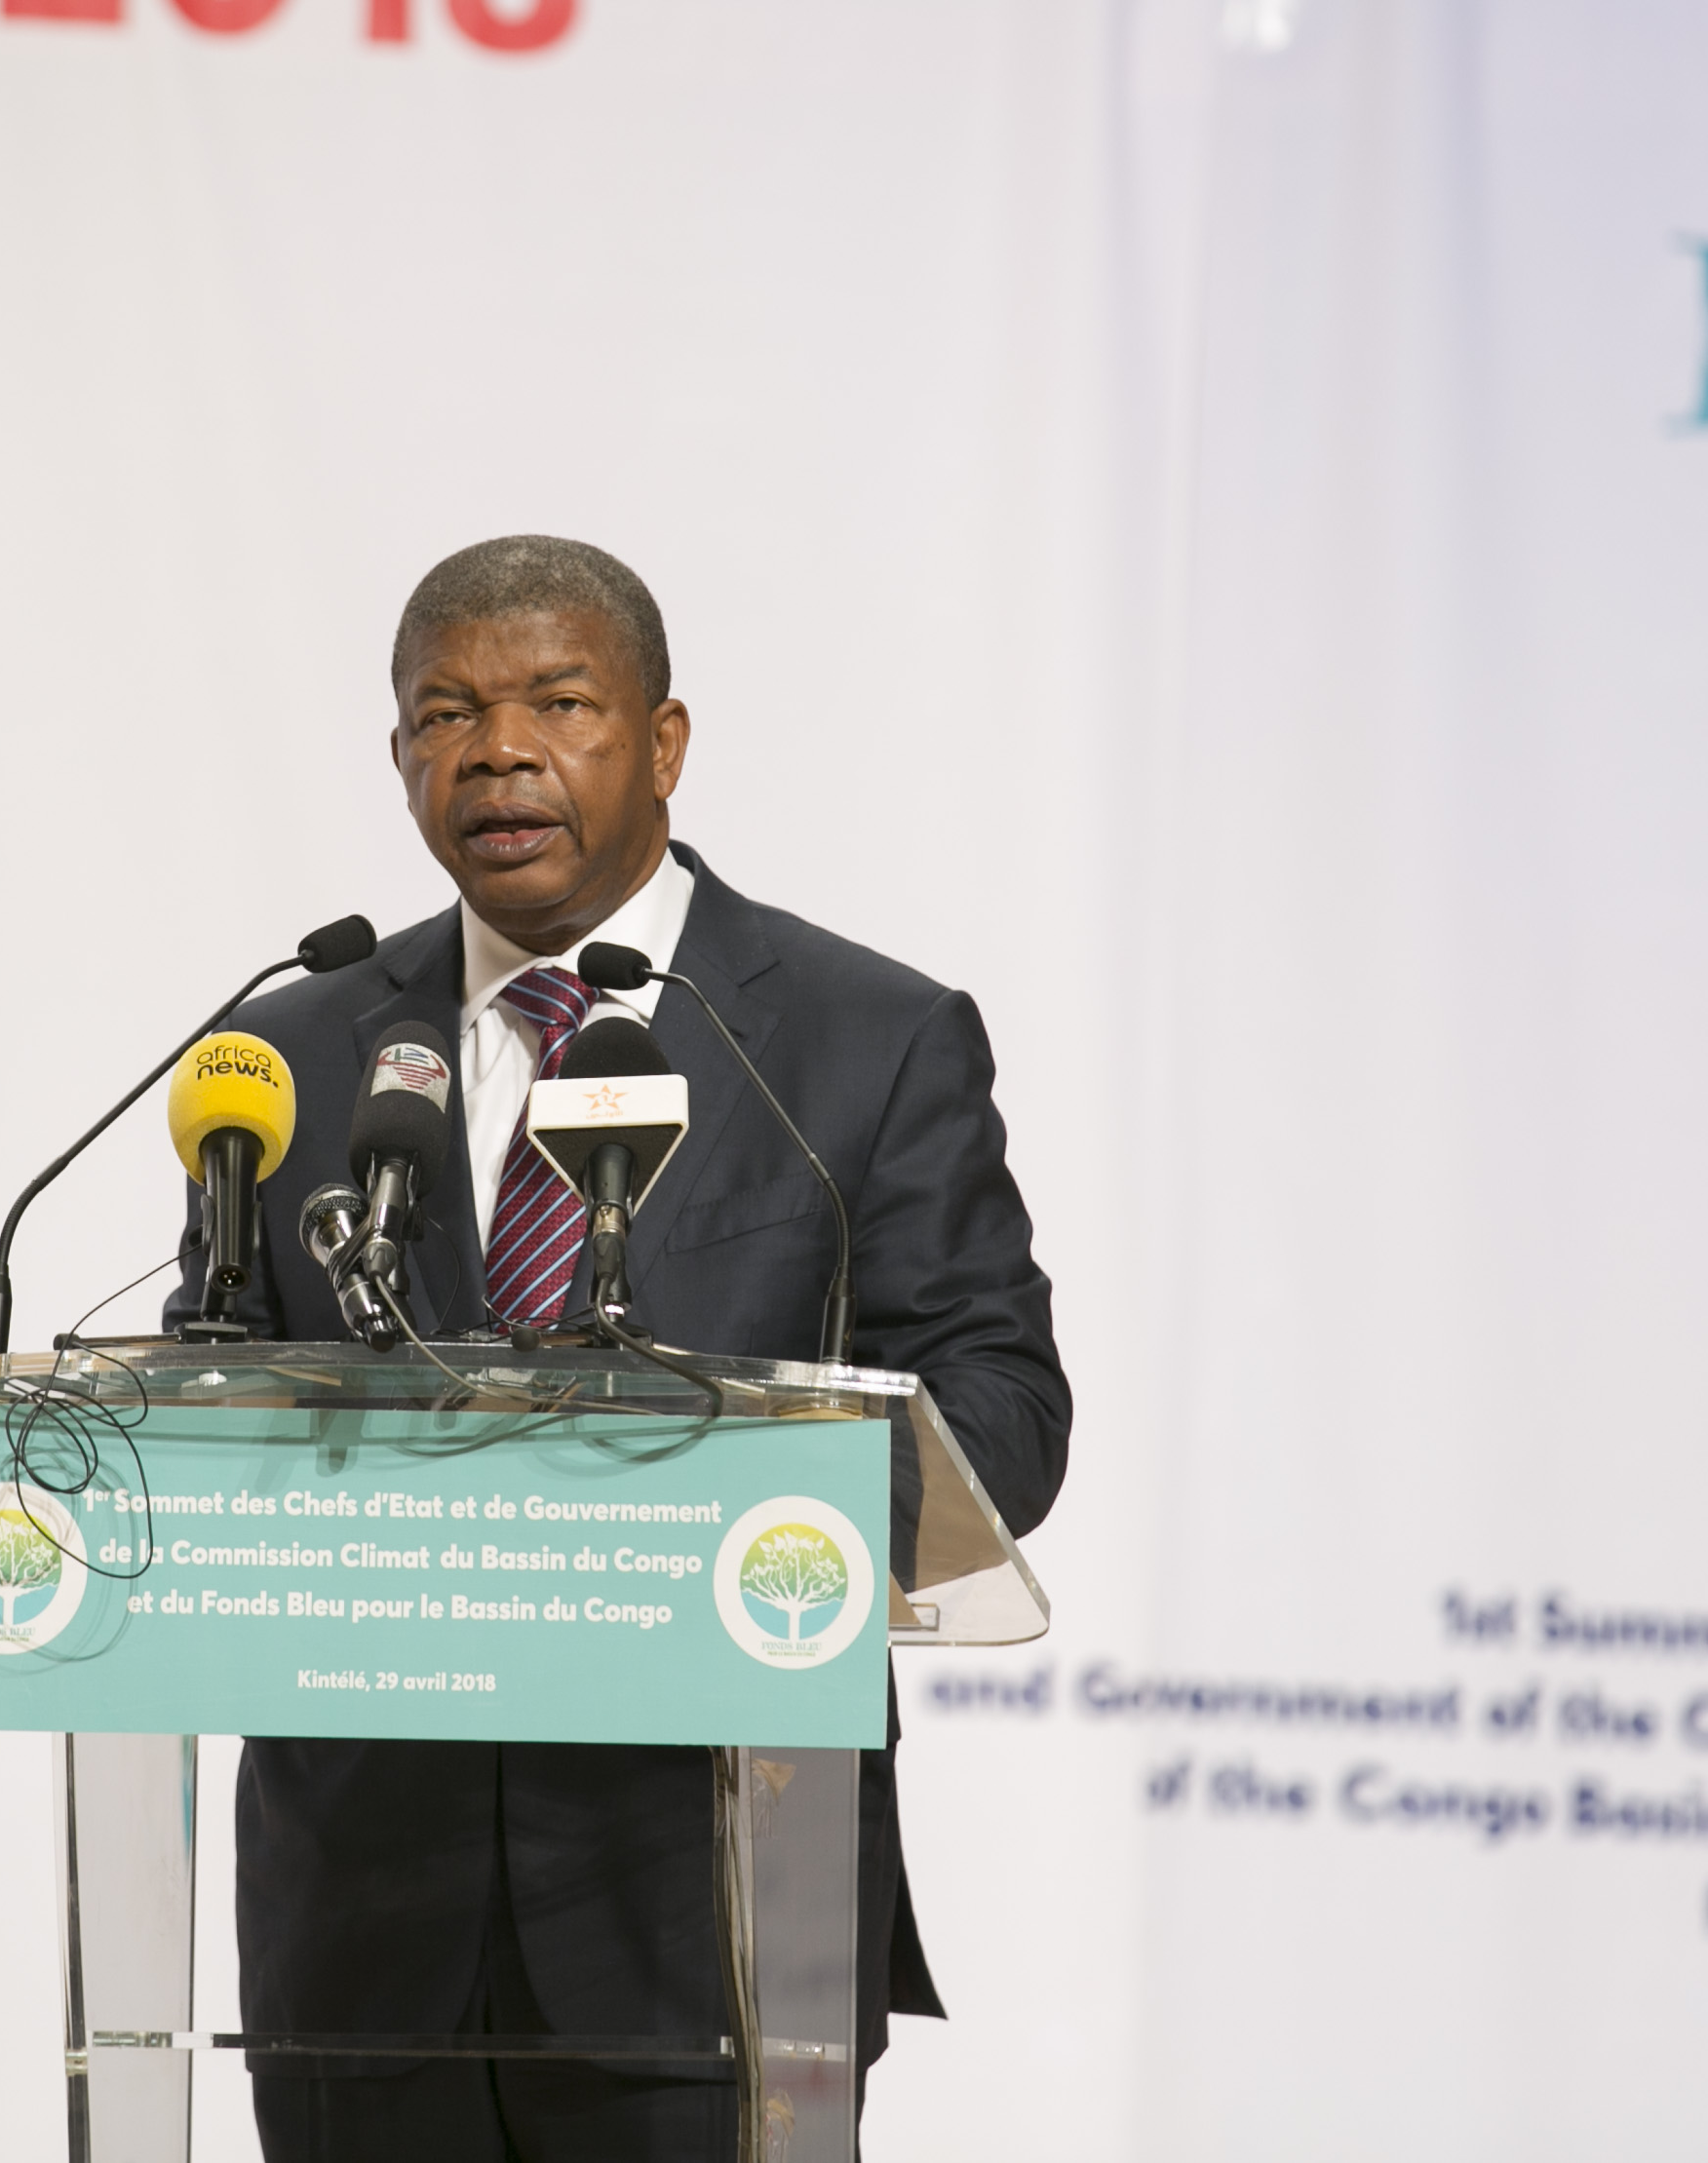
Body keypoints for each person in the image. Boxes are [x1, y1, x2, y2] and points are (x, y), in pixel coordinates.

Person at [163, 536, 1070, 2162]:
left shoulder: (861, 1040)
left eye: (557, 702)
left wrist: (714, 1499)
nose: (496, 750)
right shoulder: (295, 1050)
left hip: (708, 1908)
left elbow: (1002, 1412)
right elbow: (213, 1382)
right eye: (444, 714)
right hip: (360, 1925)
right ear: (398, 761)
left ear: (662, 741)